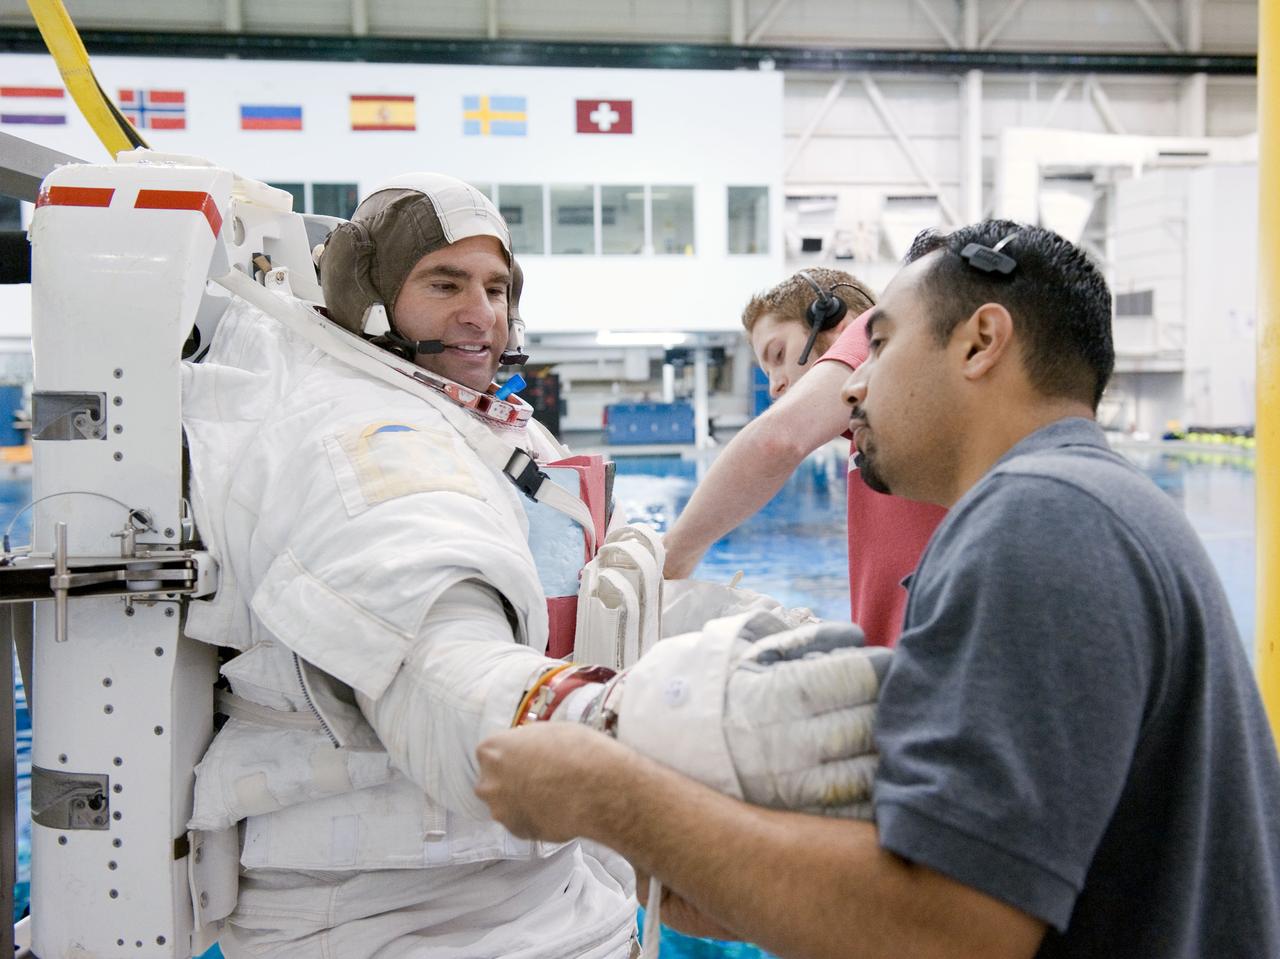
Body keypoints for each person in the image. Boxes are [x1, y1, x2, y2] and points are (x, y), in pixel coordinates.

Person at [475, 220, 1280, 959]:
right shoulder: (1093, 504)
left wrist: (609, 796)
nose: (851, 387)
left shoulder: (1041, 520)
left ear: (981, 342)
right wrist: (717, 877)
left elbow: (954, 927)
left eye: (880, 346)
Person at [180, 172, 887, 958]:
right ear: (367, 294)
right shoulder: (359, 441)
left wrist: (781, 655)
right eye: (444, 283)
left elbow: (606, 602)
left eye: (495, 286)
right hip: (398, 918)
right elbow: (442, 674)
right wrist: (620, 721)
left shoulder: (491, 431)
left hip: (532, 887)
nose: (480, 311)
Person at [663, 268, 946, 646]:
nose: (776, 385)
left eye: (778, 354)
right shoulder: (870, 435)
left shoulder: (872, 331)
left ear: (832, 319)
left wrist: (671, 559)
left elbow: (777, 441)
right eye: (766, 373)